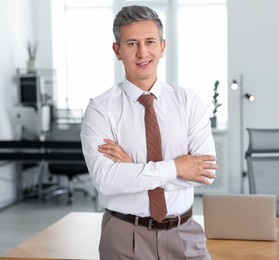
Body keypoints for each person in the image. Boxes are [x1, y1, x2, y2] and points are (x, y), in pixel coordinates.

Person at [80, 5, 217, 260]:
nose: (142, 52)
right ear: (117, 51)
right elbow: (107, 181)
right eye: (132, 43)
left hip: (184, 233)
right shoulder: (100, 109)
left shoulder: (188, 101)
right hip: (124, 236)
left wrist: (133, 167)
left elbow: (205, 172)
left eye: (150, 42)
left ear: (162, 47)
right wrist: (177, 167)